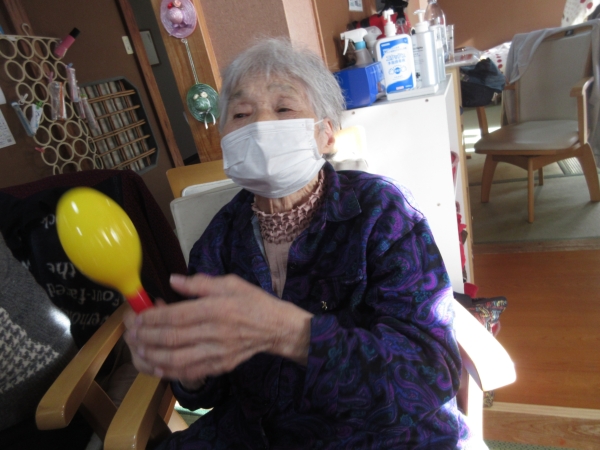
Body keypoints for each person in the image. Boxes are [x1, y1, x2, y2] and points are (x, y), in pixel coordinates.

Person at [124, 38, 474, 449]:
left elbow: (429, 375)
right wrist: (189, 369)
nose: (259, 126)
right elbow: (207, 395)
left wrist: (292, 334)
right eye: (241, 114)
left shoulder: (382, 212)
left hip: (375, 434)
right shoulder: (217, 242)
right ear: (225, 140)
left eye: (284, 108)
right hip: (255, 434)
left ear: (326, 135)